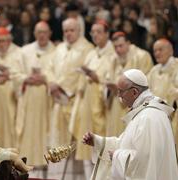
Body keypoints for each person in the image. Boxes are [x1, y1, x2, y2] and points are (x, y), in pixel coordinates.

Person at [83, 69, 178, 180]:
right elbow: (125, 143)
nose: (118, 96)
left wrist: (116, 156)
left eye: (121, 91)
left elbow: (143, 161)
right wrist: (97, 141)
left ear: (134, 92)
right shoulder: (144, 111)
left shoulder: (148, 117)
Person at [69, 20, 115, 179]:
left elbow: (113, 81)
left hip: (103, 106)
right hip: (88, 104)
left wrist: (97, 78)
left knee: (101, 146)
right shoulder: (90, 54)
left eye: (99, 32)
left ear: (107, 33)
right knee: (86, 146)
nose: (95, 35)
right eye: (92, 32)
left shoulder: (113, 55)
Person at [49, 18, 93, 146]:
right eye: (66, 31)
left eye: (72, 30)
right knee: (59, 141)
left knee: (78, 141)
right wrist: (52, 83)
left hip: (76, 99)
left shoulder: (88, 48)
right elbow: (49, 67)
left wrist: (61, 86)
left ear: (79, 31)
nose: (68, 33)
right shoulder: (60, 48)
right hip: (58, 98)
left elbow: (82, 74)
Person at [16, 21, 55, 167]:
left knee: (47, 128)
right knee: (28, 129)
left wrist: (45, 79)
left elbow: (58, 74)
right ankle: (28, 161)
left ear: (50, 33)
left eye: (45, 32)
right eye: (39, 32)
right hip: (28, 97)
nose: (42, 35)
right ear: (34, 33)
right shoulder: (25, 51)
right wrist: (26, 78)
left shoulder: (56, 51)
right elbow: (16, 72)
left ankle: (46, 163)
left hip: (47, 99)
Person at [105, 31, 153, 136]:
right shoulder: (113, 59)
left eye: (121, 46)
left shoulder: (142, 56)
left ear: (128, 43)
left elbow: (147, 82)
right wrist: (110, 88)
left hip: (134, 105)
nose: (118, 50)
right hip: (116, 106)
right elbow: (108, 78)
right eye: (115, 47)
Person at [0, 27, 25, 148]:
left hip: (12, 98)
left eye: (4, 41)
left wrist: (9, 76)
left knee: (11, 124)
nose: (1, 44)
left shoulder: (19, 53)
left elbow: (23, 74)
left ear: (9, 40)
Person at [147, 38, 178, 158]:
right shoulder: (154, 70)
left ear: (171, 50)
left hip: (175, 119)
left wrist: (168, 101)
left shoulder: (177, 66)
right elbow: (145, 90)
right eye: (155, 51)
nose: (157, 53)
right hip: (157, 120)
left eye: (160, 49)